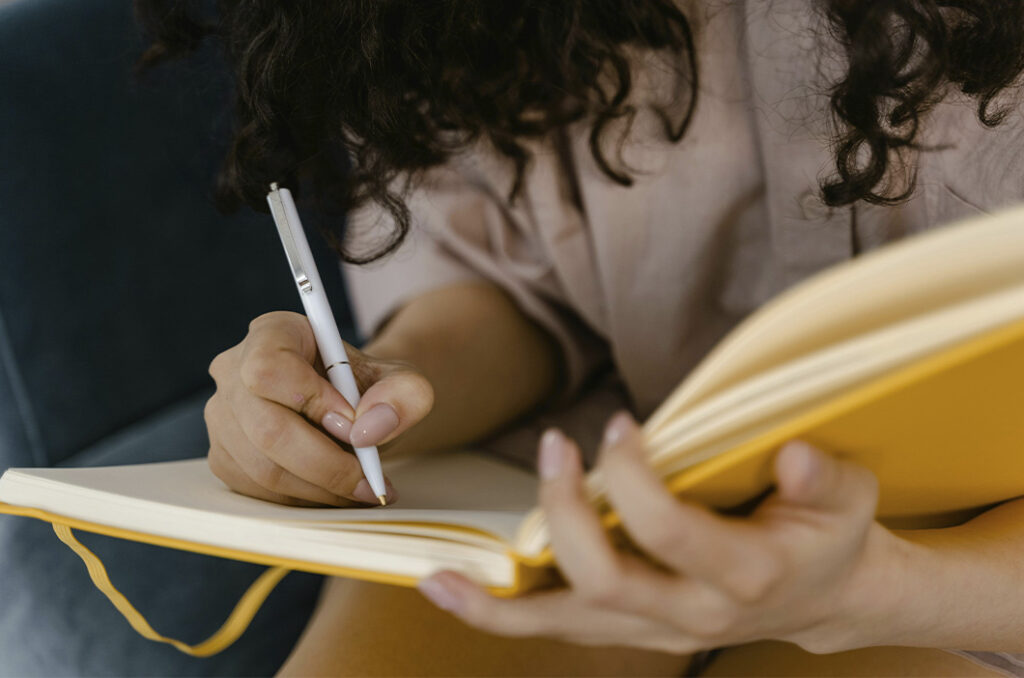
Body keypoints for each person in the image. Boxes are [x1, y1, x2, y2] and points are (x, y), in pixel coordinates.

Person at [138, 0, 1024, 675]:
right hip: (588, 466)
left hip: (975, 556)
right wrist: (373, 393)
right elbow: (501, 281)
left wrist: (888, 593)